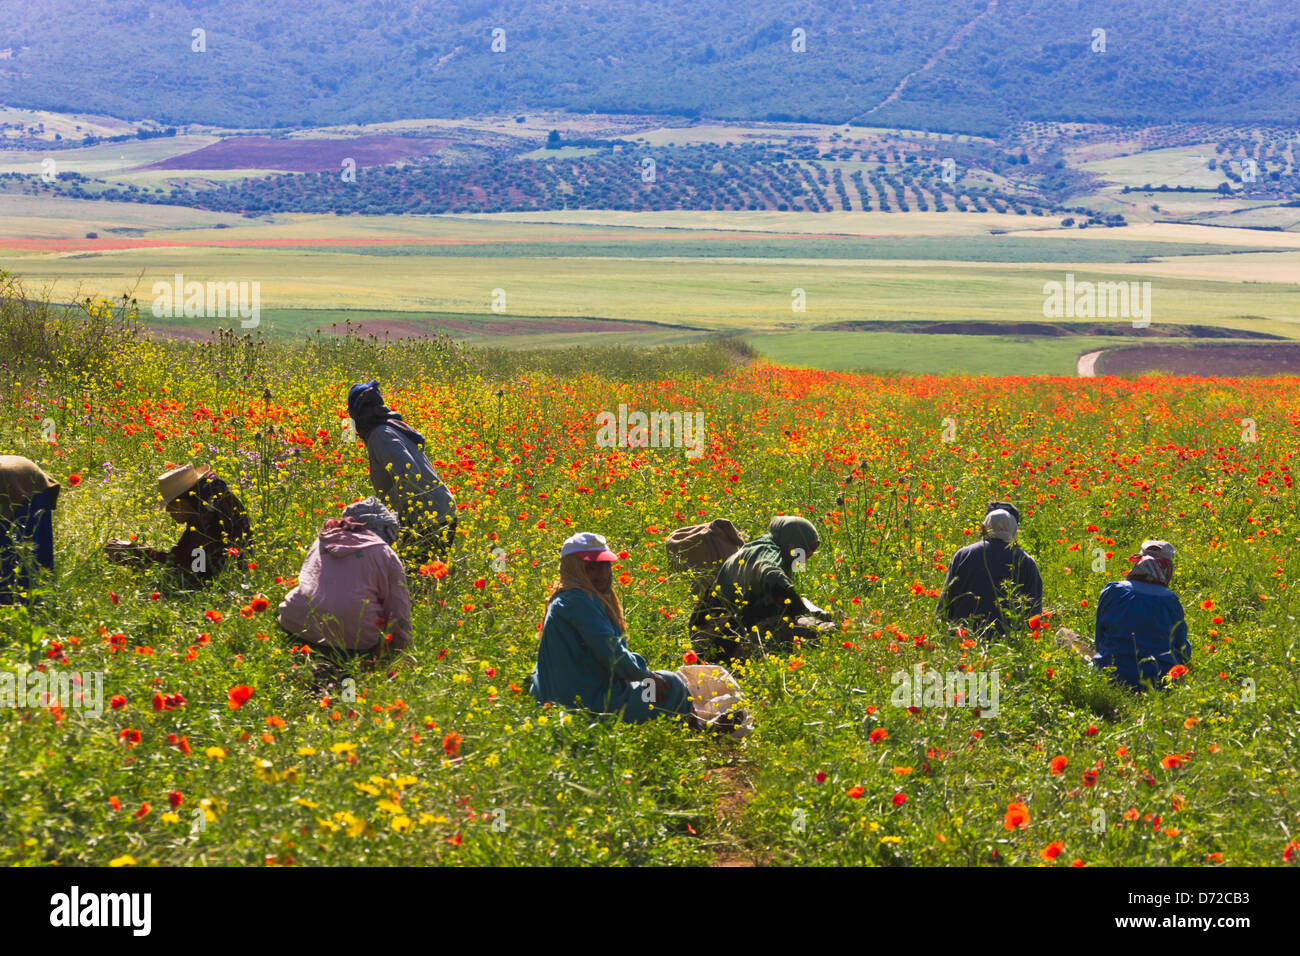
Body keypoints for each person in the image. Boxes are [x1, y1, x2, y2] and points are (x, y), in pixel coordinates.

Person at [531, 532, 693, 723]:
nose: (603, 574)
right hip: (590, 707)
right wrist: (646, 675)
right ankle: (691, 725)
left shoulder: (563, 599)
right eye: (592, 568)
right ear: (574, 569)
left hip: (561, 701)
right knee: (671, 684)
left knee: (654, 685)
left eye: (606, 565)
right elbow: (611, 653)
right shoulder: (579, 601)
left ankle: (693, 721)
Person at [278, 497, 412, 662]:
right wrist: (401, 654)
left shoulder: (324, 538)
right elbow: (398, 609)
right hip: (350, 640)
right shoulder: (384, 553)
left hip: (295, 624)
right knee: (349, 681)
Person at [689, 515, 832, 664]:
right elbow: (771, 575)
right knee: (802, 630)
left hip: (710, 632)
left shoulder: (760, 547)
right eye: (808, 547)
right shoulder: (769, 551)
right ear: (794, 542)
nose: (810, 553)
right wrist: (801, 610)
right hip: (718, 636)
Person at [347, 381, 456, 561]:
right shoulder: (390, 428)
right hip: (434, 512)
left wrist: (387, 509)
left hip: (428, 519)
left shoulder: (381, 435)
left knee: (415, 582)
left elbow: (409, 475)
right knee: (419, 579)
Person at [105, 464, 250, 587]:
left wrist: (132, 552)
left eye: (170, 504)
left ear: (184, 502)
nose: (167, 510)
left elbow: (190, 572)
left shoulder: (205, 525)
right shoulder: (211, 508)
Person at [1088, 540, 1191, 691]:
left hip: (1110, 676)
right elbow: (1182, 650)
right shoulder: (1170, 600)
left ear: (1138, 563)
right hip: (1158, 681)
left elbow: (1100, 640)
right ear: (1168, 569)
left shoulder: (1113, 590)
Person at [939, 502, 1042, 638]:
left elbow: (946, 600)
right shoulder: (1026, 561)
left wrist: (942, 633)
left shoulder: (963, 554)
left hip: (964, 639)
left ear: (986, 526)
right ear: (1013, 529)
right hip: (1008, 642)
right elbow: (1034, 610)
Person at [0, 455, 60, 604]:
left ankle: (21, 607)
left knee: (12, 557)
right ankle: (37, 605)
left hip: (15, 482)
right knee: (28, 556)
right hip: (25, 473)